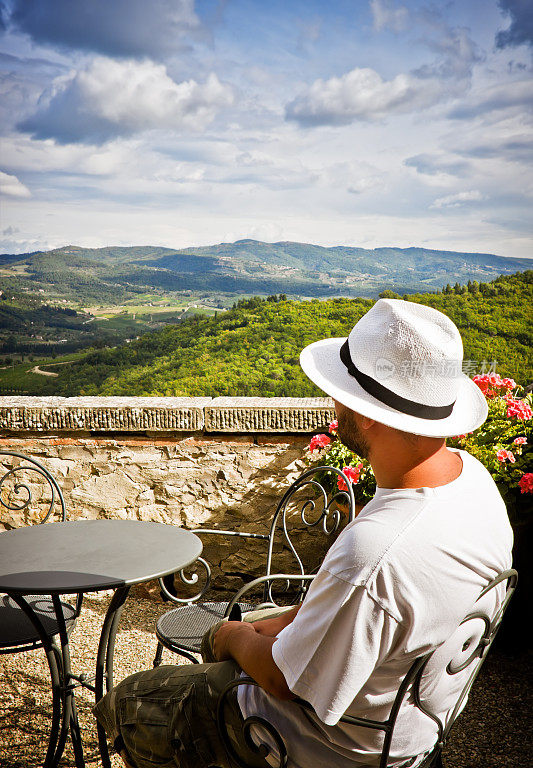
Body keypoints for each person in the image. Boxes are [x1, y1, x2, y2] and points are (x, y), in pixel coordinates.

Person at [94, 298, 513, 768]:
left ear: (368, 414)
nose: (333, 403)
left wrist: (231, 635)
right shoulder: (471, 480)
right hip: (414, 724)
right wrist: (287, 619)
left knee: (133, 703)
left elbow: (281, 681)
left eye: (340, 393)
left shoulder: (378, 551)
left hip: (330, 746)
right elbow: (363, 606)